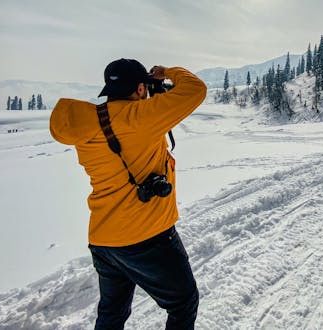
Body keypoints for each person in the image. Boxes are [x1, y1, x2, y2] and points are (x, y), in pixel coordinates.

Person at [50, 58, 207, 329]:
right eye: (144, 87)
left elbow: (126, 127)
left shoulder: (91, 122)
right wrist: (166, 73)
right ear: (138, 88)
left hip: (104, 239)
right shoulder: (141, 119)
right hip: (146, 236)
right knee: (183, 302)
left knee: (112, 313)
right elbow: (196, 89)